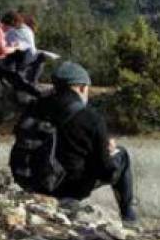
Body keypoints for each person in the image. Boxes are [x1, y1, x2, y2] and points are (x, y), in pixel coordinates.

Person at [22, 62, 136, 222]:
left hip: (32, 182)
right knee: (122, 155)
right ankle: (129, 217)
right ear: (82, 87)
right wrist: (107, 151)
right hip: (70, 188)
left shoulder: (35, 107)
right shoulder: (91, 118)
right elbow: (105, 170)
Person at [0, 11, 41, 98]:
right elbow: (2, 50)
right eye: (13, 27)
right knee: (14, 77)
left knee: (14, 72)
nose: (12, 30)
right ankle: (35, 93)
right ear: (11, 23)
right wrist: (14, 47)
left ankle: (30, 89)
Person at [5, 13, 47, 84]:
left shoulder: (18, 29)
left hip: (17, 55)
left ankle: (30, 79)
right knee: (41, 57)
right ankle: (33, 81)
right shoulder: (21, 30)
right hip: (15, 56)